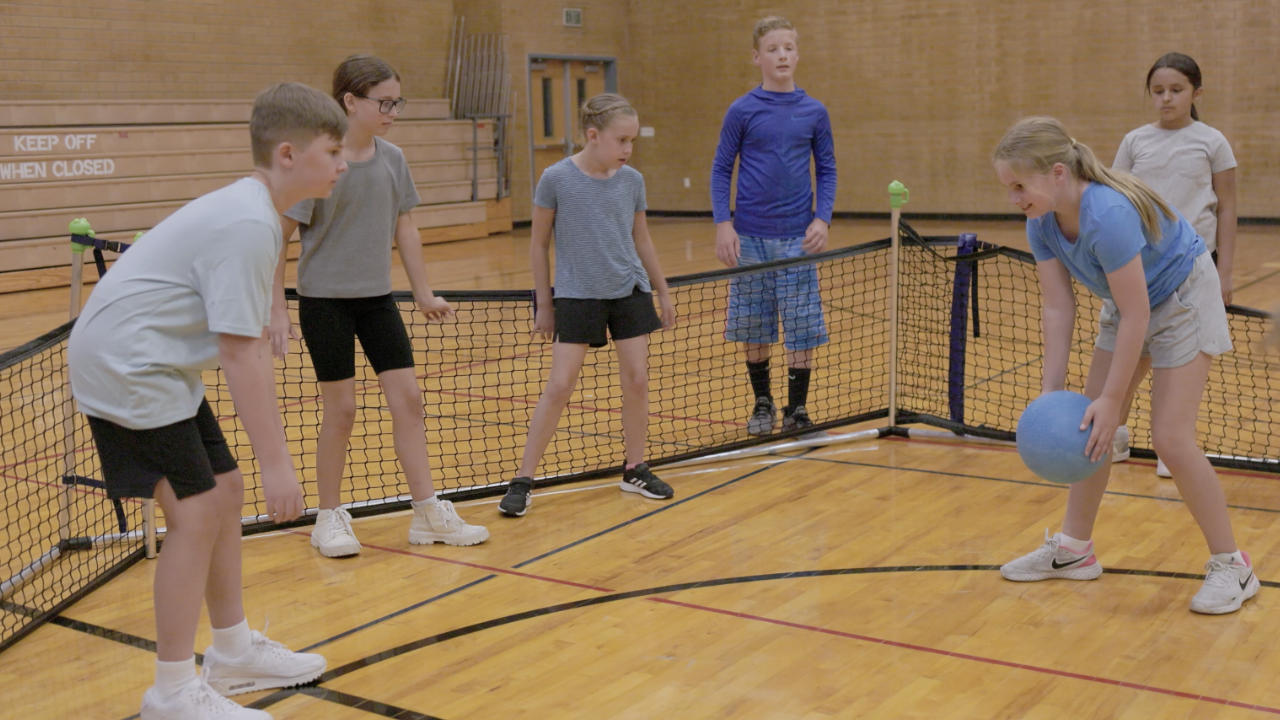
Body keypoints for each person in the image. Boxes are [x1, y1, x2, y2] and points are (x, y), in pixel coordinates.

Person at [68, 82, 343, 720]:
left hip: (155, 362)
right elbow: (241, 355)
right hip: (127, 364)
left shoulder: (258, 215)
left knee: (224, 490)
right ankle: (170, 691)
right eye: (332, 151)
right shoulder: (249, 222)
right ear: (287, 154)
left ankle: (233, 649)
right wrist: (281, 464)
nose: (341, 163)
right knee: (193, 514)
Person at [992, 116, 1257, 615]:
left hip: (1182, 299)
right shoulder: (1040, 222)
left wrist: (1113, 399)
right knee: (1088, 425)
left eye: (1019, 186)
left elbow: (1140, 315)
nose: (1014, 199)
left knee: (1171, 439)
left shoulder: (1107, 214)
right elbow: (1058, 306)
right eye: (1008, 189)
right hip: (1128, 304)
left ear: (1056, 173)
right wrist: (1052, 390)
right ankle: (1074, 551)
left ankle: (1233, 565)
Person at [273, 55, 488, 556]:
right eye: (384, 102)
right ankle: (328, 517)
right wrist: (275, 308)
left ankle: (428, 512)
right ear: (350, 101)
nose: (393, 110)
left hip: (376, 301)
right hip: (324, 302)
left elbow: (404, 227)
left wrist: (423, 292)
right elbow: (280, 235)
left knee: (409, 401)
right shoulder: (320, 160)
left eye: (397, 102)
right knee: (342, 410)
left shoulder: (393, 158)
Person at [497, 93, 676, 517]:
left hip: (628, 290)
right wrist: (545, 303)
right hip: (577, 294)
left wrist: (662, 290)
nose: (628, 150)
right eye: (621, 140)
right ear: (593, 136)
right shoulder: (555, 178)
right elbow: (538, 244)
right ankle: (523, 478)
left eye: (632, 141)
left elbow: (642, 239)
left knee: (636, 380)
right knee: (560, 385)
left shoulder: (632, 180)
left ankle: (635, 467)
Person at [1111, 52, 1238, 477]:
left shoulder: (1212, 141)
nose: (1166, 98)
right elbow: (1117, 202)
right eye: (1158, 91)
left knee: (1177, 356)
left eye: (1176, 90)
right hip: (1138, 267)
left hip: (1192, 270)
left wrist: (1226, 272)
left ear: (1196, 93)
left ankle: (1172, 443)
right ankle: (1115, 431)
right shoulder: (1135, 141)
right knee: (1127, 356)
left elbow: (1228, 208)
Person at [710, 15, 836, 436]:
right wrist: (723, 224)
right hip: (749, 238)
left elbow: (828, 169)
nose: (781, 55)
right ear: (757, 57)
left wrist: (822, 217)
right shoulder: (741, 110)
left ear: (797, 54)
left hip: (797, 239)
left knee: (801, 324)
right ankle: (761, 403)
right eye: (772, 49)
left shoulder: (814, 112)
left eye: (788, 48)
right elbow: (721, 169)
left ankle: (796, 409)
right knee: (754, 323)